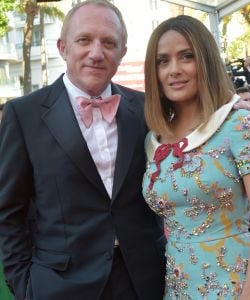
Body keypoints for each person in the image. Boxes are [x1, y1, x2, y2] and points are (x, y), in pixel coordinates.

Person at [0, 1, 167, 300]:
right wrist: (24, 284)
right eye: (84, 40)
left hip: (144, 280)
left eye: (108, 42)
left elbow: (197, 122)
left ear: (122, 52)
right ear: (63, 47)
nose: (96, 53)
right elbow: (8, 211)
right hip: (60, 285)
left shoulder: (146, 108)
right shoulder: (22, 115)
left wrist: (231, 107)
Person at [142, 15, 250, 299]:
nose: (174, 70)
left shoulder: (240, 123)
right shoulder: (153, 139)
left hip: (237, 284)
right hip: (178, 286)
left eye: (186, 57)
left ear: (205, 61)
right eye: (163, 61)